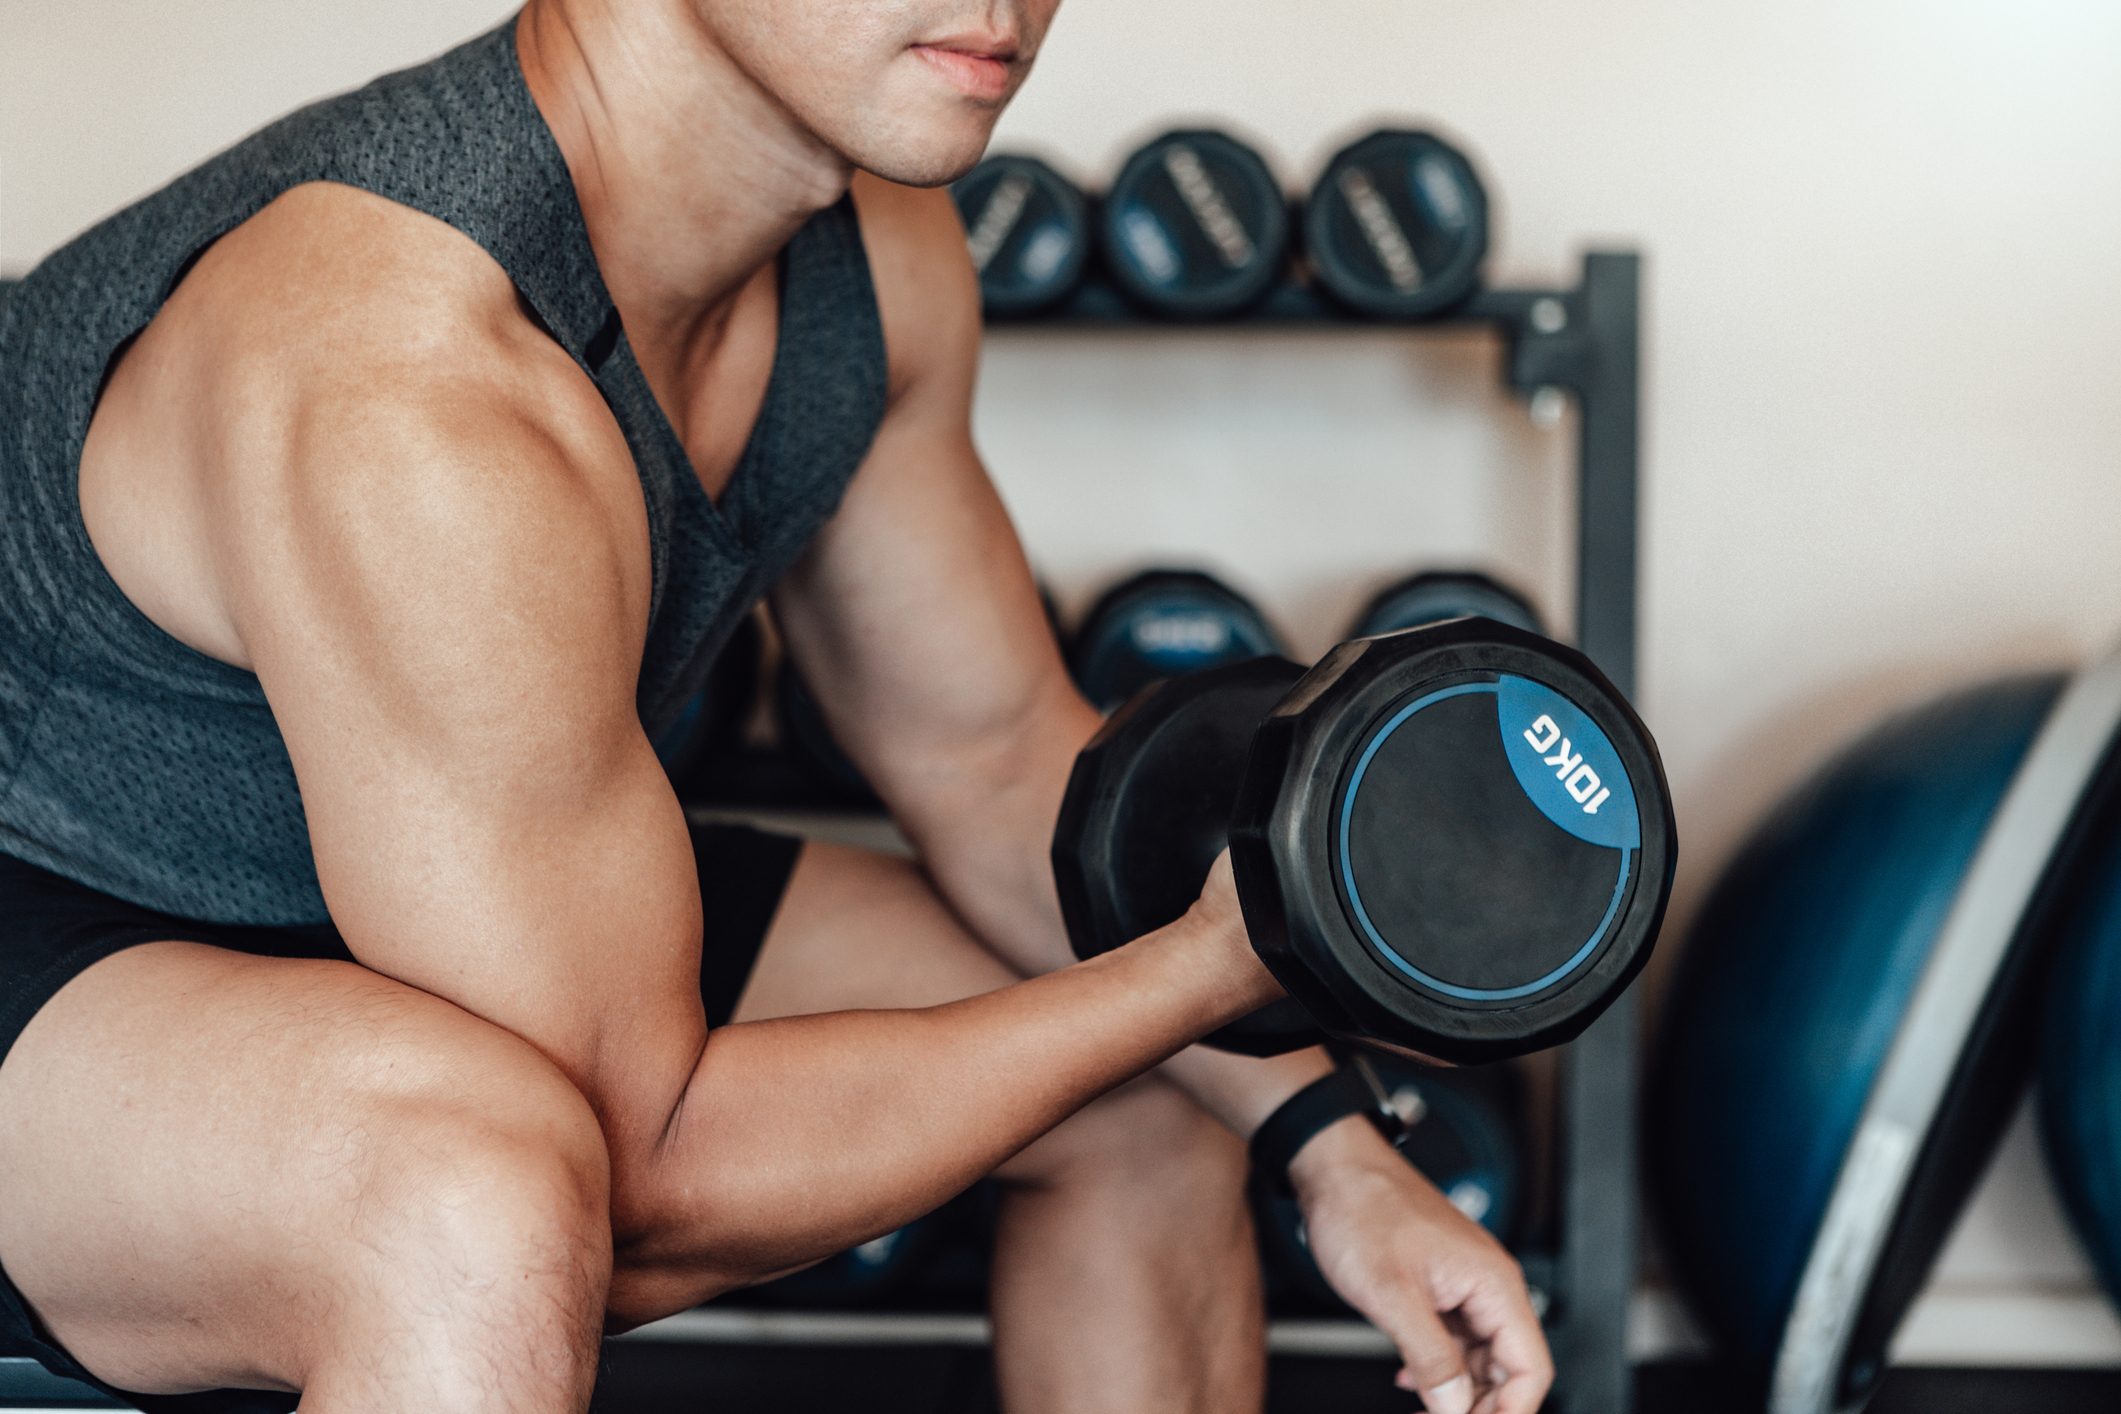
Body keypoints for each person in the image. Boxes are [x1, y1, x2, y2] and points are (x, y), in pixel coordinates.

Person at [0, 3, 1551, 1412]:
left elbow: (992, 752)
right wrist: (1218, 960)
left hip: (460, 896)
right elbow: (652, 1170)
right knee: (473, 1203)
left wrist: (1331, 1148)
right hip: (68, 921)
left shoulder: (875, 255)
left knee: (1144, 1098)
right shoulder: (410, 380)